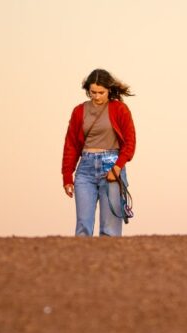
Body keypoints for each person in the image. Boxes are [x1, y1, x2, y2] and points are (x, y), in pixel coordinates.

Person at [62, 69, 136, 237]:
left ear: (109, 90)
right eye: (92, 92)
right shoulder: (79, 111)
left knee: (110, 229)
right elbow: (71, 145)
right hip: (85, 170)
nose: (96, 96)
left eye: (101, 92)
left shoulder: (120, 109)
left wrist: (117, 168)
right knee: (83, 227)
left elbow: (130, 143)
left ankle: (108, 263)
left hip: (112, 167)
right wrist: (67, 176)